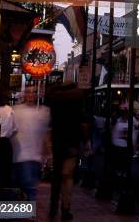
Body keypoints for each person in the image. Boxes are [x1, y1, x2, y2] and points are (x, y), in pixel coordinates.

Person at [47, 82, 87, 220]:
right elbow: (83, 124)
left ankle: (53, 208)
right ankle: (65, 208)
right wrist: (86, 142)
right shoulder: (77, 101)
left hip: (58, 141)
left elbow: (50, 122)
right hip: (72, 142)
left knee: (56, 176)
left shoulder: (54, 100)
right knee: (67, 177)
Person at [11, 85, 50, 201]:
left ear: (37, 95)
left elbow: (45, 135)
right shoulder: (15, 110)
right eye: (28, 92)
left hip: (33, 157)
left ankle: (27, 215)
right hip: (16, 155)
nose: (31, 95)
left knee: (29, 188)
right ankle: (21, 214)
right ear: (24, 94)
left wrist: (47, 154)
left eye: (33, 92)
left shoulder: (43, 112)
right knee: (18, 188)